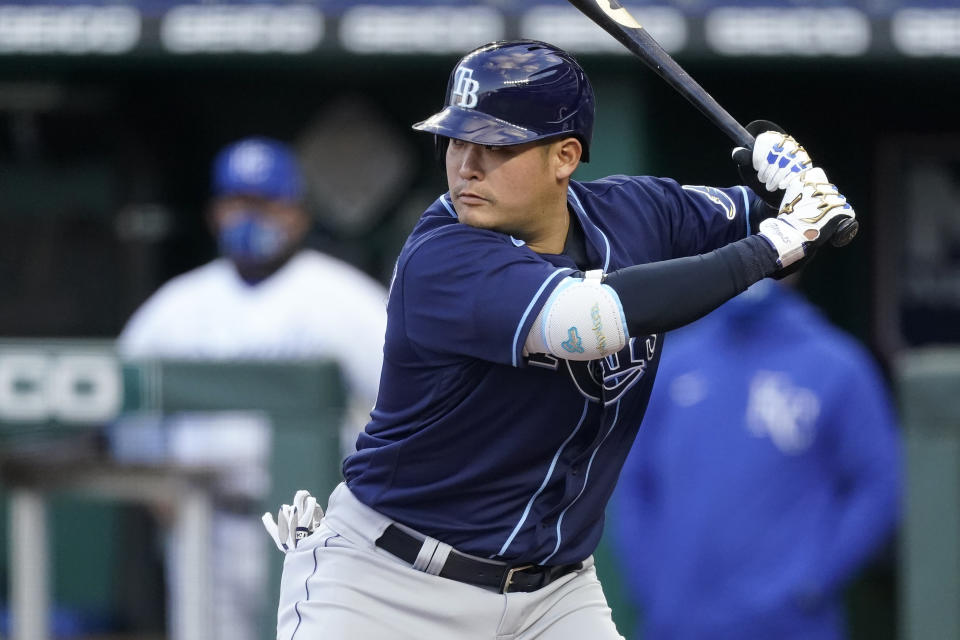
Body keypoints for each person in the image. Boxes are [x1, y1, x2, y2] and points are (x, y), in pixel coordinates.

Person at [264, 40, 855, 640]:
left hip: (552, 594)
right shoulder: (442, 255)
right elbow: (589, 323)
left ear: (565, 156)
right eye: (456, 140)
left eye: (496, 145)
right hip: (388, 583)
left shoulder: (637, 213)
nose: (467, 164)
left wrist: (797, 185)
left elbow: (775, 214)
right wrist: (779, 241)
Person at [115, 136, 388, 640]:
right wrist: (155, 490)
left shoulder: (345, 300)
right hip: (205, 525)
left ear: (298, 214)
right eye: (237, 202)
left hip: (318, 526)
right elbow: (122, 403)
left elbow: (404, 403)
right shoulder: (175, 306)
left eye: (265, 203)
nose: (250, 217)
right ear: (215, 213)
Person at [610, 278, 901, 640]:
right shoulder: (672, 366)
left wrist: (814, 579)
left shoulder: (838, 365)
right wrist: (651, 585)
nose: (752, 263)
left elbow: (880, 482)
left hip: (789, 626)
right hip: (679, 624)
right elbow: (635, 483)